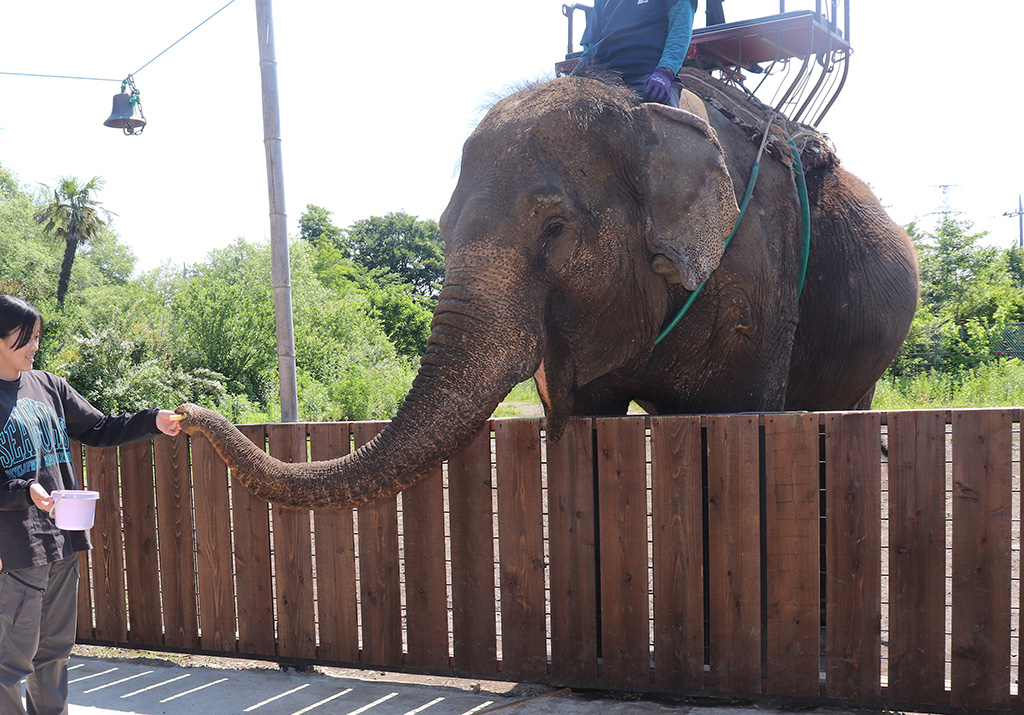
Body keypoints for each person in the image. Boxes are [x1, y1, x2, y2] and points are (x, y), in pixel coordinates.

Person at [0, 295, 182, 715]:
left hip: (64, 540)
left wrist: (152, 420)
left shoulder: (49, 385)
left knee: (55, 654)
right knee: (9, 664)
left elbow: (99, 428)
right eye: (24, 338)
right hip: (15, 550)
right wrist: (23, 491)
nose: (33, 347)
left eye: (38, 337)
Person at [574, 0, 725, 106]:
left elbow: (680, 28)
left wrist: (665, 71)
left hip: (647, 76)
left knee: (662, 134)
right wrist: (579, 71)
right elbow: (590, 45)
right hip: (604, 78)